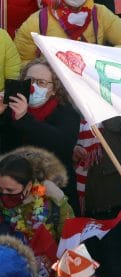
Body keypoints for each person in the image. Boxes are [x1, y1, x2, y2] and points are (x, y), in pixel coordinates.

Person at [0, 59, 80, 192]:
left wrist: (24, 119)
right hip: (11, 192)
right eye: (29, 80)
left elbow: (62, 144)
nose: (33, 87)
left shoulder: (67, 113)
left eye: (41, 83)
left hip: (54, 193)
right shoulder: (9, 110)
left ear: (54, 89)